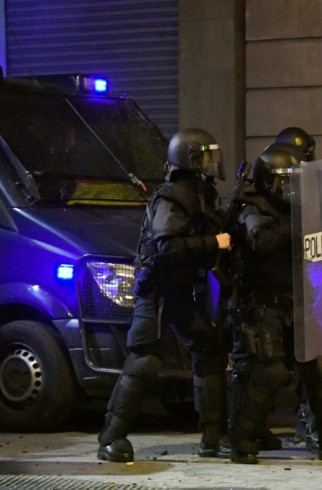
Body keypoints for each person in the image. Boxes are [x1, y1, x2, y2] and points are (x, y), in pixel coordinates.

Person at [97, 128, 231, 463]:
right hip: (156, 290)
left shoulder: (200, 194)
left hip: (182, 289)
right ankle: (110, 439)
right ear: (188, 161)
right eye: (204, 157)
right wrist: (214, 243)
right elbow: (167, 248)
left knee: (209, 352)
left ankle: (213, 436)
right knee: (144, 361)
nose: (211, 164)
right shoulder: (172, 197)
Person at [226, 145, 322, 464]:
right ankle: (243, 442)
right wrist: (299, 225)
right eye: (281, 182)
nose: (288, 189)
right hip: (264, 306)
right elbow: (261, 240)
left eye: (293, 182)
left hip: (301, 302)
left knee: (321, 370)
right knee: (268, 374)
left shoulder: (302, 210)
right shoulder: (252, 207)